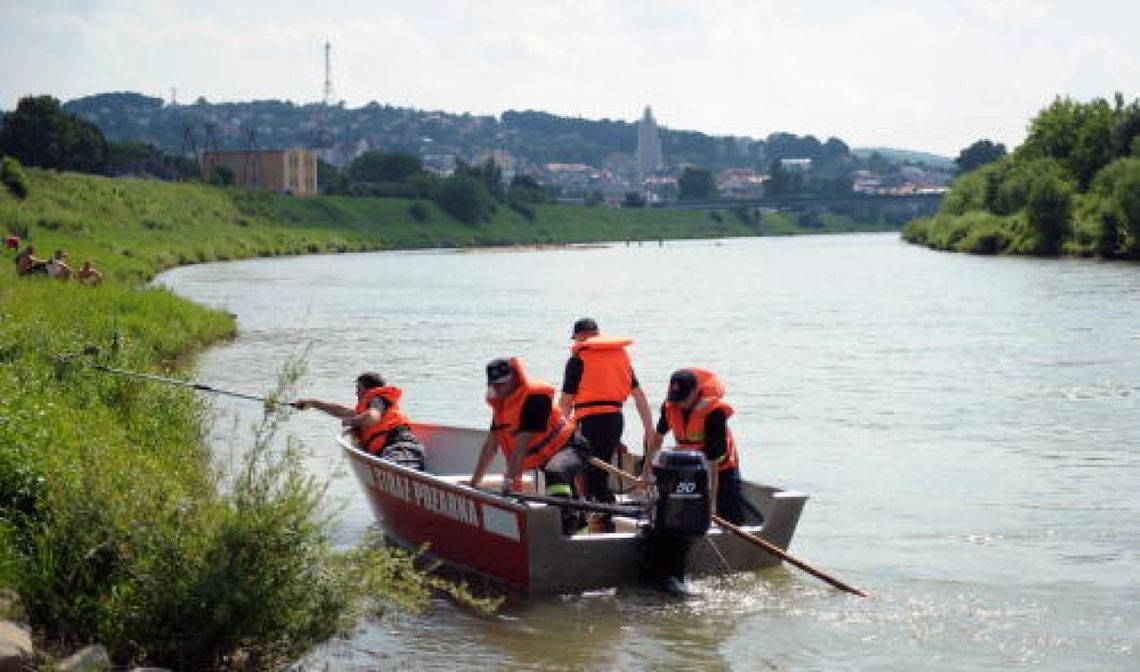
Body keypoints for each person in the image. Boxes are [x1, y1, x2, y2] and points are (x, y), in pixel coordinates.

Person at [469, 357, 592, 534]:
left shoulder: (535, 399)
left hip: (572, 448)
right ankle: (579, 533)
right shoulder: (501, 408)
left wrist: (509, 481)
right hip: (548, 457)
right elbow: (490, 446)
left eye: (503, 384)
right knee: (563, 488)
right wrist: (474, 483)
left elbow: (521, 446)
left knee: (555, 473)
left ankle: (563, 528)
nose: (498, 389)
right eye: (495, 385)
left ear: (515, 379)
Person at [557, 318, 654, 530]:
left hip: (590, 421)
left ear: (581, 336)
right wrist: (649, 428)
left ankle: (603, 521)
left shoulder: (577, 359)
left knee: (591, 476)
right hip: (615, 421)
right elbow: (638, 395)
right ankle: (603, 517)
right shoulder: (620, 356)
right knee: (598, 474)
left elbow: (566, 402)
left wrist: (558, 432)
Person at [640, 368, 747, 525]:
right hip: (689, 469)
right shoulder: (670, 406)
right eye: (675, 397)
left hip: (721, 470)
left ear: (695, 392)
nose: (679, 403)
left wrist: (711, 504)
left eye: (683, 398)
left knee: (730, 517)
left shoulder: (714, 412)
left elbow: (713, 461)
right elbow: (657, 438)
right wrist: (645, 472)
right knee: (681, 516)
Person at [294, 371, 425, 470]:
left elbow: (372, 417)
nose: (356, 394)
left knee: (390, 469)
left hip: (401, 448)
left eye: (358, 389)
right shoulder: (367, 408)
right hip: (392, 451)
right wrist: (312, 403)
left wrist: (351, 422)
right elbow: (341, 411)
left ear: (367, 390)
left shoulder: (377, 400)